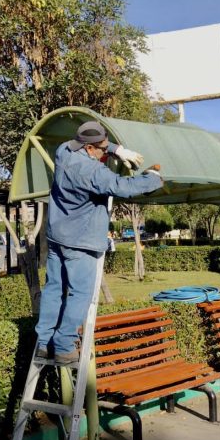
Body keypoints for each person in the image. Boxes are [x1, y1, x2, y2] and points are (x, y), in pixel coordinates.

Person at [36, 121, 163, 364]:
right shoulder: (92, 171)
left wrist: (117, 150)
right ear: (89, 149)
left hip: (56, 236)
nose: (104, 152)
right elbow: (122, 187)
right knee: (80, 293)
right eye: (102, 149)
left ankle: (44, 342)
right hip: (80, 241)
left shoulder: (64, 151)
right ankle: (63, 345)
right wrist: (153, 178)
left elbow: (99, 152)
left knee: (53, 289)